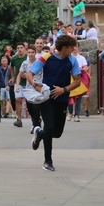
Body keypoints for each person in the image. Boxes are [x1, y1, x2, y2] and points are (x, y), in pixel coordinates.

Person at [28, 34, 82, 172]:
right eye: (71, 48)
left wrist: (63, 90)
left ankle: (40, 134)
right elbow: (30, 74)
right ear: (64, 48)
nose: (73, 50)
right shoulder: (46, 57)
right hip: (47, 99)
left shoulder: (72, 60)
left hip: (62, 99)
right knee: (50, 127)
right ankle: (48, 161)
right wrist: (37, 87)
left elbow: (77, 81)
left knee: (57, 133)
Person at [17, 44, 42, 133]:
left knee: (36, 107)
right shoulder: (25, 63)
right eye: (29, 52)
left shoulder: (39, 63)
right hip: (28, 89)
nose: (31, 54)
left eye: (32, 52)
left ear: (35, 53)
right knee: (30, 108)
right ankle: (35, 121)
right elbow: (19, 75)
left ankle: (36, 125)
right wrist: (17, 85)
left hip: (37, 88)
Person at [66, 45, 90, 122]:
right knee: (69, 96)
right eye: (73, 47)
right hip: (70, 78)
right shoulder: (68, 57)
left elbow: (86, 67)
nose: (74, 48)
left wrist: (82, 69)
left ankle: (77, 114)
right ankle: (69, 113)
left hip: (79, 77)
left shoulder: (81, 58)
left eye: (76, 46)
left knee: (78, 97)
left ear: (78, 48)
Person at [9, 43, 28, 128]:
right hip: (18, 82)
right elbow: (11, 67)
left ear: (24, 49)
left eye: (21, 48)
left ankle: (36, 118)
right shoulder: (14, 59)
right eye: (18, 48)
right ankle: (19, 119)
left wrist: (28, 74)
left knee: (30, 102)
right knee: (18, 99)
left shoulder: (28, 57)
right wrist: (13, 77)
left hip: (29, 82)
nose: (20, 49)